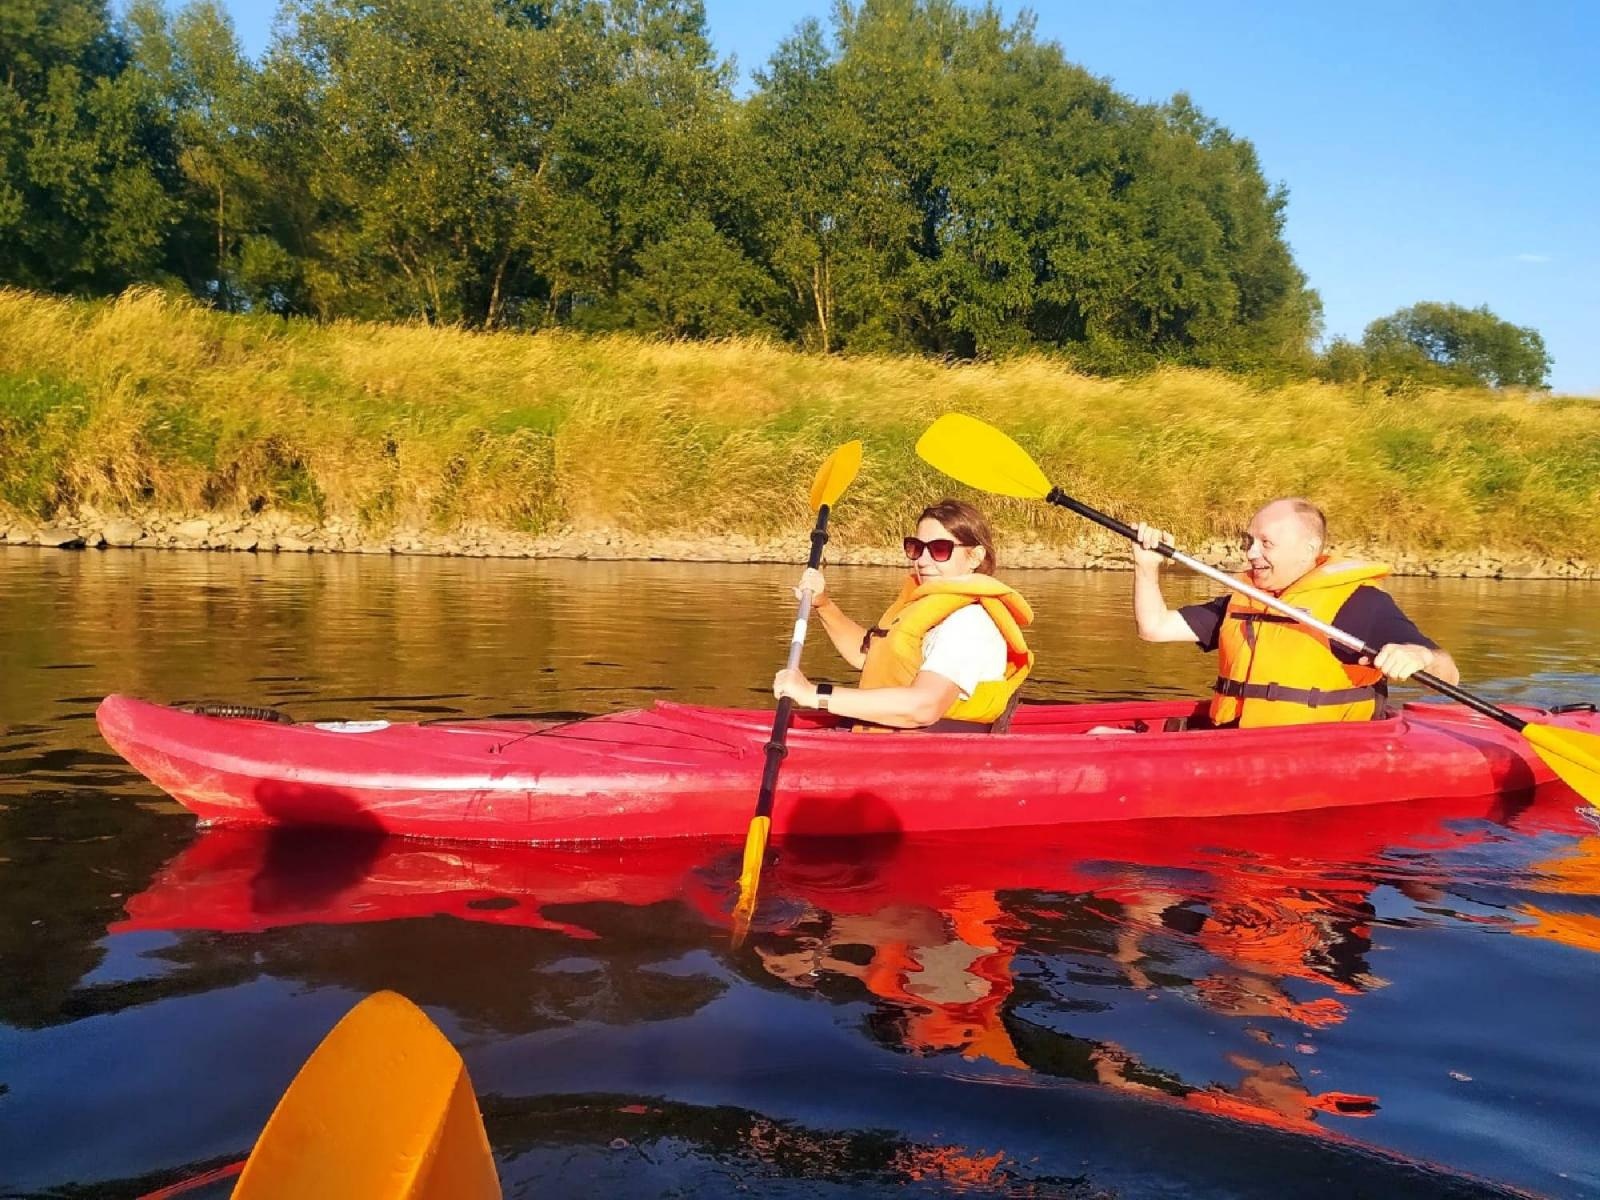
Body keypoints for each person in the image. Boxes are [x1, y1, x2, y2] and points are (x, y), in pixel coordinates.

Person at [1132, 497, 1460, 728]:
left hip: (1321, 750)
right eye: (1250, 541)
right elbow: (1154, 627)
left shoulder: (1361, 603)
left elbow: (1449, 674)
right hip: (1237, 742)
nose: (1251, 552)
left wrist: (1417, 656)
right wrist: (1146, 566)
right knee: (1108, 736)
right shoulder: (1247, 598)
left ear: (1308, 548)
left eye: (1265, 543)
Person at [772, 499, 1033, 731]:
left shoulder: (969, 624)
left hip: (933, 757)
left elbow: (924, 706)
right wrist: (823, 604)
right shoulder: (924, 606)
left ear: (975, 556)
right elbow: (869, 657)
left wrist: (814, 694)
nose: (923, 560)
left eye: (940, 549)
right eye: (916, 547)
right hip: (889, 740)